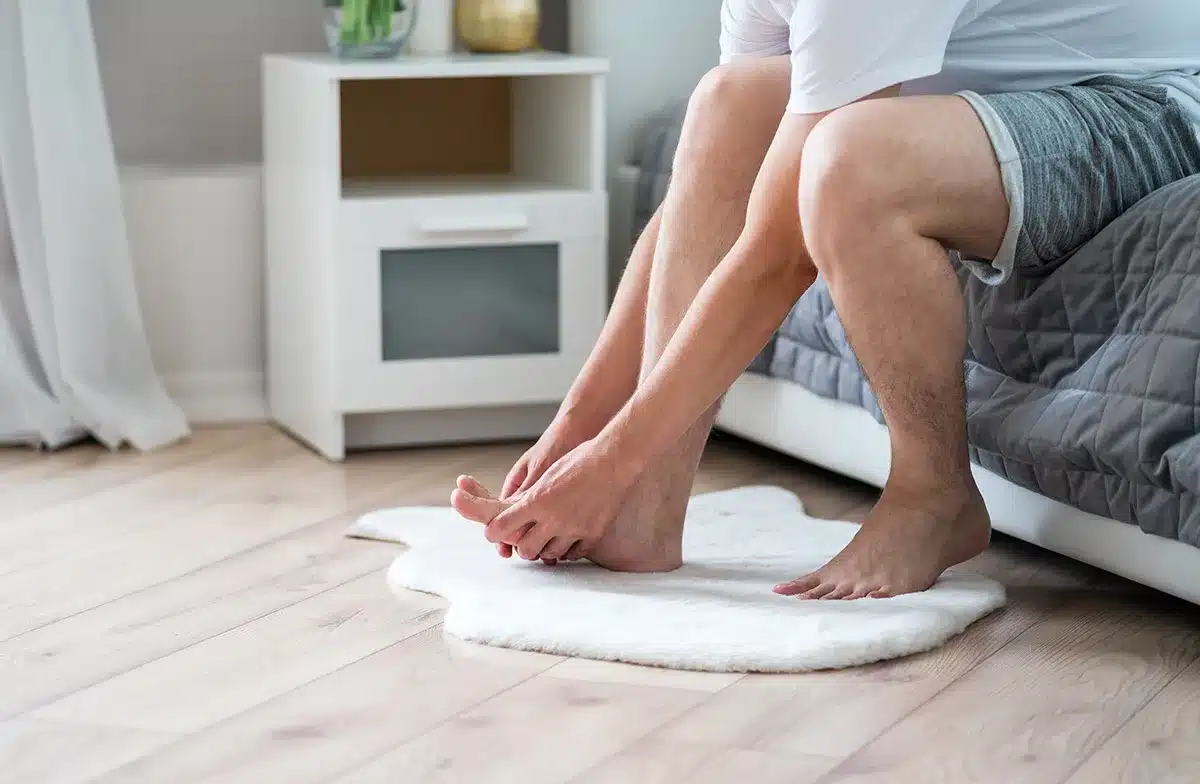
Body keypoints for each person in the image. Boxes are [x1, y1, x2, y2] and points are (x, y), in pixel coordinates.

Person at [451, 0, 1200, 600]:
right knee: (726, 103)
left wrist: (606, 463)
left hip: (1157, 100)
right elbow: (713, 192)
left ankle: (932, 495)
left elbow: (776, 252)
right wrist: (577, 431)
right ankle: (645, 511)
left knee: (851, 165)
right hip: (1013, 94)